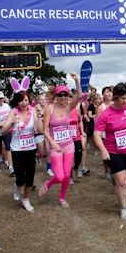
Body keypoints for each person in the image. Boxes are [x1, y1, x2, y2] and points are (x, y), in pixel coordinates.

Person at [93, 83, 126, 220]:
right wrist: (103, 151)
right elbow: (97, 134)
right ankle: (123, 208)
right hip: (114, 152)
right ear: (115, 97)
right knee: (122, 182)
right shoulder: (105, 115)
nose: (125, 101)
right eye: (122, 98)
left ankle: (120, 183)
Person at [39, 73, 81, 207]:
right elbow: (45, 130)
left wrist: (77, 80)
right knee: (59, 177)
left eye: (65, 95)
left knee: (67, 175)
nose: (63, 97)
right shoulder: (49, 109)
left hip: (69, 145)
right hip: (55, 146)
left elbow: (79, 96)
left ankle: (62, 198)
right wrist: (53, 143)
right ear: (55, 96)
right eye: (60, 95)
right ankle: (48, 183)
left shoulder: (68, 107)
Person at [2, 87, 40, 212]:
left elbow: (38, 129)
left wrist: (39, 117)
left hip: (30, 147)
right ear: (17, 102)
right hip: (17, 149)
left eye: (26, 100)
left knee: (30, 176)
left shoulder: (33, 110)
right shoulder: (13, 112)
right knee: (20, 177)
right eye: (21, 101)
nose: (24, 103)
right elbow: (3, 132)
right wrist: (11, 123)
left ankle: (26, 199)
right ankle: (17, 185)